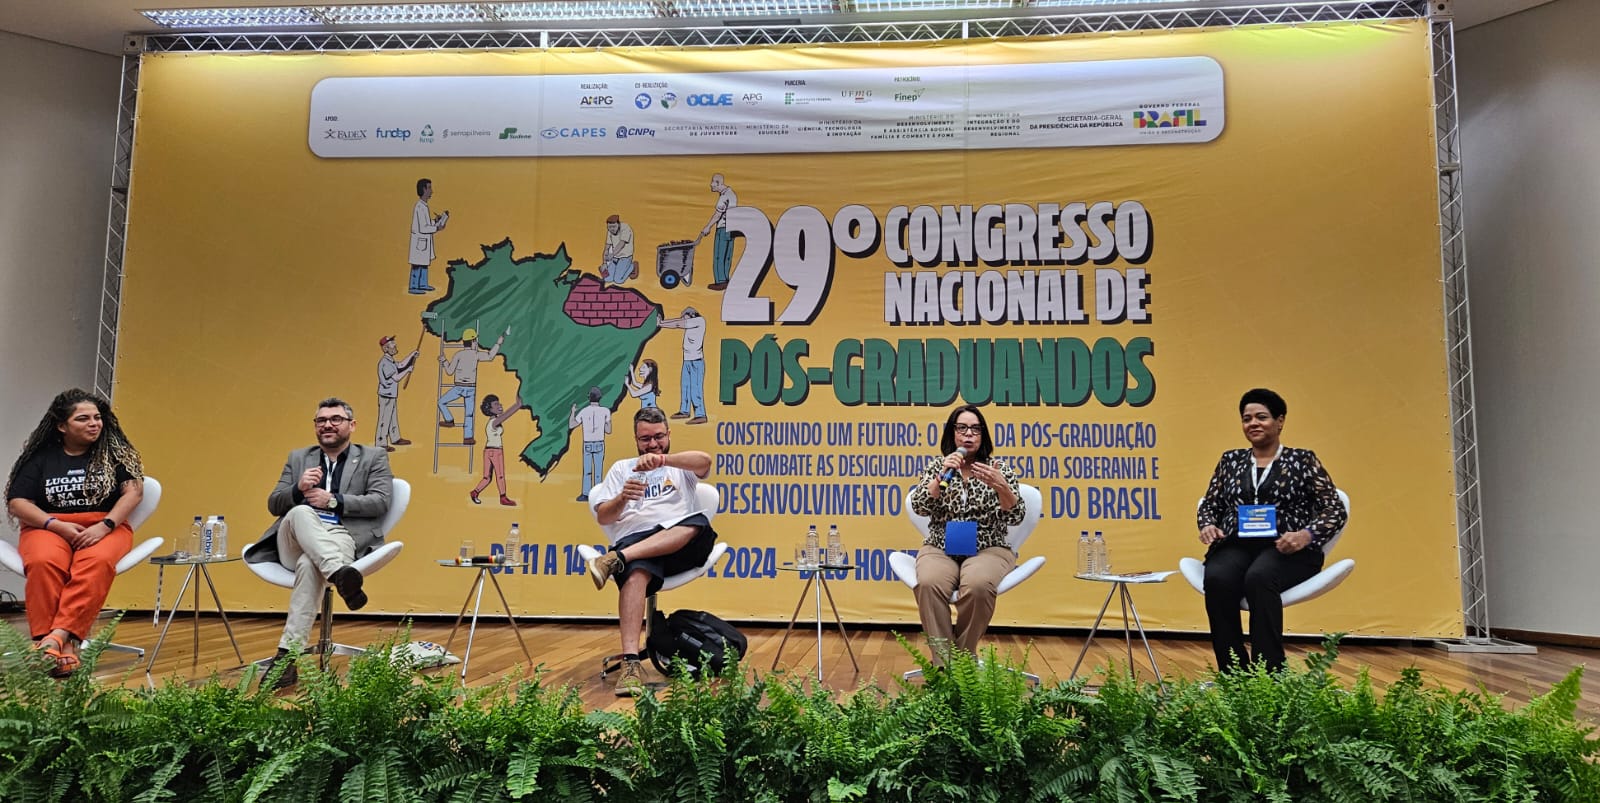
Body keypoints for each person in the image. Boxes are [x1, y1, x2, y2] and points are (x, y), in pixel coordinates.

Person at [1195, 388, 1346, 673]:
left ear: (1280, 421)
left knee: (1260, 577)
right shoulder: (1230, 461)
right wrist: (1207, 525)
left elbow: (1334, 509)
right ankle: (1234, 675)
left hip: (1286, 548)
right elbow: (1210, 505)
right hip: (1237, 545)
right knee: (1216, 578)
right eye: (1247, 418)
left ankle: (1269, 675)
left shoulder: (1303, 460)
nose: (1253, 423)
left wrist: (1306, 535)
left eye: (1261, 417)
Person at [246, 398, 393, 689]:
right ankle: (339, 574)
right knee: (300, 512)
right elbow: (274, 504)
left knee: (308, 564)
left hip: (340, 534)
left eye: (335, 419)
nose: (327, 425)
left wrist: (334, 501)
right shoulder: (299, 458)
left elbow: (381, 501)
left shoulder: (373, 457)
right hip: (295, 537)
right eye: (321, 420)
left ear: (352, 425)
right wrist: (298, 489)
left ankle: (287, 659)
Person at [4, 389, 144, 677]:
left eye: (97, 417)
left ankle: (54, 638)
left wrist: (105, 526)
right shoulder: (40, 458)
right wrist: (55, 525)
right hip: (48, 525)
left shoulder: (116, 455)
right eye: (83, 419)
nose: (94, 423)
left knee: (95, 563)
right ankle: (62, 646)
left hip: (103, 525)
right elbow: (18, 502)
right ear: (62, 426)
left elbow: (133, 493)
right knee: (43, 562)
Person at [585, 407, 716, 696]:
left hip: (681, 547)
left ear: (669, 435)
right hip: (637, 543)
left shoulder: (679, 466)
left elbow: (705, 461)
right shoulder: (622, 468)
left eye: (659, 437)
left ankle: (616, 560)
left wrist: (662, 460)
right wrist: (622, 498)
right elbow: (604, 516)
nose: (653, 444)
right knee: (636, 573)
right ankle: (631, 664)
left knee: (698, 522)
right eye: (645, 439)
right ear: (636, 439)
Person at [905, 404, 1025, 665]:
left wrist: (1002, 488)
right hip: (941, 545)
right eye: (962, 428)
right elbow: (919, 506)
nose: (969, 434)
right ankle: (944, 666)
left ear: (983, 435)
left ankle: (961, 660)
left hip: (988, 546)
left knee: (979, 585)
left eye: (975, 429)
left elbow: (1016, 516)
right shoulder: (938, 467)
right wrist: (939, 478)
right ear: (952, 433)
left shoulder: (998, 468)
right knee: (928, 583)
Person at [438, 326, 507, 446]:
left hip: (459, 387)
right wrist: (498, 344)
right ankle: (467, 437)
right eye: (475, 341)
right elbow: (490, 356)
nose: (477, 343)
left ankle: (449, 420)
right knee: (469, 414)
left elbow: (449, 371)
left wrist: (444, 361)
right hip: (469, 388)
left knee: (441, 402)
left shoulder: (459, 354)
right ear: (473, 341)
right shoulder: (476, 354)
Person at [471, 394, 522, 506]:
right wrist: (518, 405)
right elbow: (506, 415)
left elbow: (503, 416)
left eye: (499, 403)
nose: (500, 405)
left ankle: (475, 492)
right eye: (496, 404)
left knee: (487, 477)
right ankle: (503, 497)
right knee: (500, 475)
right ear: (490, 409)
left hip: (487, 451)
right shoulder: (494, 422)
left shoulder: (492, 421)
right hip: (496, 451)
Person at [659, 307, 706, 424]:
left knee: (695, 388)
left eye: (684, 317)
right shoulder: (691, 322)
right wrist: (662, 322)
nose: (683, 319)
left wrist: (661, 324)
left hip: (696, 361)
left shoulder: (699, 321)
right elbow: (678, 322)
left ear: (691, 315)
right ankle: (684, 411)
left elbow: (677, 324)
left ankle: (700, 414)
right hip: (687, 360)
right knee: (685, 387)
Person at [375, 335, 417, 452]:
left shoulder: (391, 361)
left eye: (395, 345)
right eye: (393, 346)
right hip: (386, 395)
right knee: (384, 419)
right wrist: (408, 370)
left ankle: (395, 438)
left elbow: (401, 365)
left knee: (392, 417)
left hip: (391, 394)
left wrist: (412, 355)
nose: (395, 348)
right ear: (386, 348)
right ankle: (381, 443)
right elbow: (396, 377)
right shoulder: (385, 363)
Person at [696, 173, 737, 291]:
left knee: (719, 255)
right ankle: (726, 279)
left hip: (723, 228)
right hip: (732, 228)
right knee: (727, 255)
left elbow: (718, 214)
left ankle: (720, 281)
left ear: (718, 183)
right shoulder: (732, 194)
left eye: (713, 181)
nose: (711, 184)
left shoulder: (724, 196)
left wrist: (708, 227)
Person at [571, 387, 612, 502]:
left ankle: (585, 494)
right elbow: (608, 430)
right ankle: (598, 494)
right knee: (598, 470)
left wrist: (573, 412)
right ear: (600, 398)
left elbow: (572, 424)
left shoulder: (584, 411)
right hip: (599, 442)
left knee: (587, 470)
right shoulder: (605, 411)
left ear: (589, 398)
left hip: (587, 443)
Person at [408, 178, 447, 294]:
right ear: (423, 189)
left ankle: (423, 284)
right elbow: (423, 228)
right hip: (420, 242)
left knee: (424, 263)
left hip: (423, 242)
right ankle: (414, 286)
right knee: (417, 264)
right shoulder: (419, 207)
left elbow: (426, 223)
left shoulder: (424, 206)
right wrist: (437, 228)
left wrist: (435, 221)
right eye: (429, 188)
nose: (431, 191)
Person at [599, 214, 636, 286]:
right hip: (615, 258)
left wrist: (612, 254)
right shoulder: (610, 231)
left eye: (614, 227)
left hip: (625, 257)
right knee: (607, 279)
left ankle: (632, 266)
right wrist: (604, 263)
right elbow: (607, 248)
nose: (612, 229)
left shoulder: (625, 228)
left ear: (618, 224)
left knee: (618, 280)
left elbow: (621, 244)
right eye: (609, 227)